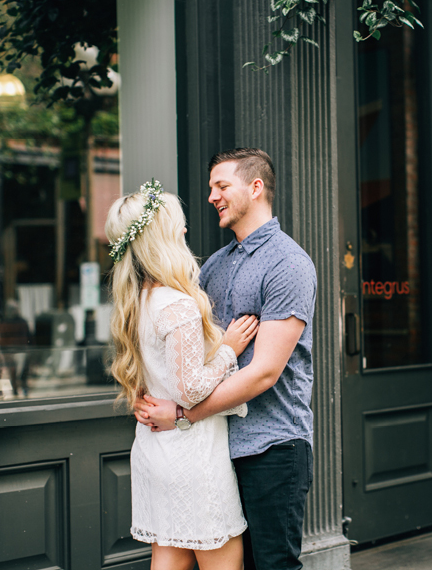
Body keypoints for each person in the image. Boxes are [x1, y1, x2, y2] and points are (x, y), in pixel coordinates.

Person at [134, 148, 317, 570]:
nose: (212, 196)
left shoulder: (288, 263)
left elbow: (265, 372)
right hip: (214, 450)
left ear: (255, 188)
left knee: (272, 565)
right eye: (210, 187)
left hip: (272, 446)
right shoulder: (213, 266)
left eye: (221, 186)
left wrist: (181, 414)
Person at [105, 179, 259, 570]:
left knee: (168, 557)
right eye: (178, 224)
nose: (186, 230)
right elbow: (190, 389)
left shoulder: (137, 303)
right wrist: (229, 350)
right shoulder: (177, 306)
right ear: (161, 238)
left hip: (156, 452)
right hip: (194, 459)